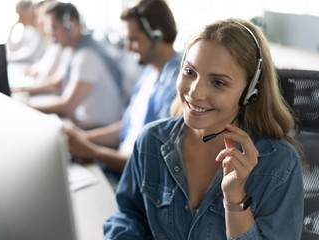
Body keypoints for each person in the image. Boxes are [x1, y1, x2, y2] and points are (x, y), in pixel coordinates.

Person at [103, 18, 304, 239]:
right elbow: (129, 215)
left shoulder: (279, 164)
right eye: (190, 72)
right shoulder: (151, 141)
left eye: (218, 82)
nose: (195, 93)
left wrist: (235, 197)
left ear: (249, 93)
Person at [64, 0, 181, 187]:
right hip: (119, 168)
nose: (127, 47)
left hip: (135, 184)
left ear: (158, 34)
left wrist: (93, 151)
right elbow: (126, 127)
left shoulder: (177, 84)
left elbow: (154, 163)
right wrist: (80, 138)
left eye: (133, 39)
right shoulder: (149, 72)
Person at [27, 2, 125, 129]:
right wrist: (20, 90)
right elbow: (57, 83)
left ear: (70, 26)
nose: (51, 34)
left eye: (53, 27)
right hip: (84, 121)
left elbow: (67, 106)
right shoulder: (74, 50)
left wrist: (25, 106)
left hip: (96, 127)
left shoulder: (87, 56)